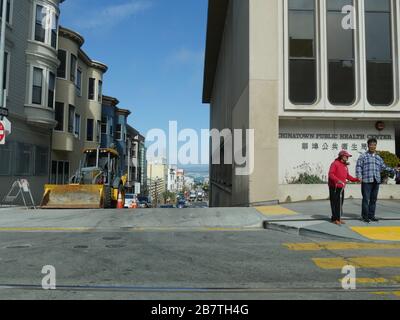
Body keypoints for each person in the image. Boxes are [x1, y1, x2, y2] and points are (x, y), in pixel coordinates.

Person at [356, 138, 398, 223]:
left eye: (374, 145)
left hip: (376, 180)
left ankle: (371, 215)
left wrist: (393, 169)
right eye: (371, 145)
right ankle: (365, 216)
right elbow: (358, 167)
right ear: (368, 146)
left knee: (373, 200)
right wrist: (359, 177)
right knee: (366, 199)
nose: (373, 146)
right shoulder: (363, 156)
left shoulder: (378, 157)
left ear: (376, 146)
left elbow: (383, 167)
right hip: (367, 180)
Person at [328, 151, 360, 225]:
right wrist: (337, 180)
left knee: (340, 203)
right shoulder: (335, 164)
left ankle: (338, 218)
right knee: (335, 203)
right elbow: (331, 174)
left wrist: (356, 179)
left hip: (341, 187)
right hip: (334, 187)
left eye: (348, 156)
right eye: (346, 156)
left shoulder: (345, 166)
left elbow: (347, 176)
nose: (347, 157)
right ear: (341, 156)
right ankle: (335, 219)